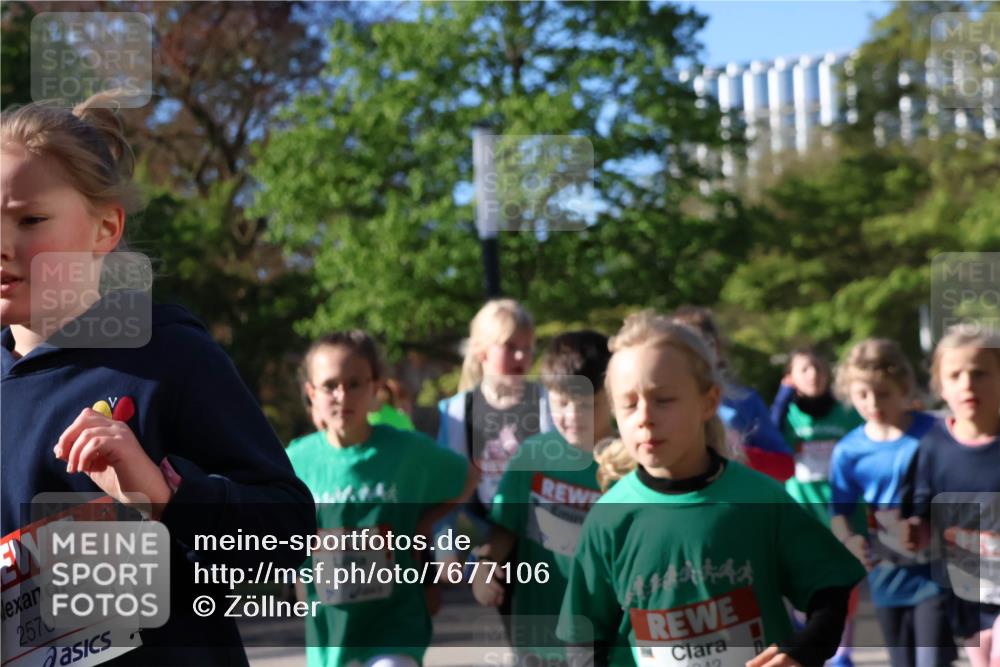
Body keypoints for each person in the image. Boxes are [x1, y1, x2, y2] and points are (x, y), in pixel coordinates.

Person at [0, 95, 316, 665]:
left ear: (105, 228)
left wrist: (167, 497)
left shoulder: (166, 355)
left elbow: (287, 535)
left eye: (30, 220)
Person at [556, 311, 865, 667]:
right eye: (629, 404)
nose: (644, 417)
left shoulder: (758, 499)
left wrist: (803, 651)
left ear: (709, 401)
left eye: (663, 399)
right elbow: (583, 638)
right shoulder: (609, 517)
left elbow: (830, 590)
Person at [288, 330, 477, 667]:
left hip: (395, 623)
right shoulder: (296, 461)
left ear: (375, 387)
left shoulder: (406, 450)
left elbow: (468, 477)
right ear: (311, 393)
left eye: (354, 383)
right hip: (332, 630)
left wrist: (424, 524)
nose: (342, 395)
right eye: (330, 385)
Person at [471, 331, 613, 664]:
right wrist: (485, 566)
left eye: (586, 405)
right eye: (562, 403)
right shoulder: (532, 456)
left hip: (604, 632)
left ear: (613, 396)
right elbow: (506, 528)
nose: (572, 416)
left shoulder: (626, 464)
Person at [828, 339, 953, 667]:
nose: (873, 403)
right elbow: (839, 511)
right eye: (862, 395)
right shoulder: (849, 450)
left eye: (883, 393)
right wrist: (849, 540)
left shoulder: (936, 434)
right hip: (886, 574)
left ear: (904, 388)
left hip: (938, 571)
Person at [902, 325, 1000, 667]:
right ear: (941, 386)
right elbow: (919, 510)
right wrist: (914, 530)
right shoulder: (932, 447)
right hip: (967, 591)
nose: (967, 384)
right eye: (955, 375)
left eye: (979, 373)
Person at [671, 306, 793, 481]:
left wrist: (735, 453)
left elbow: (785, 466)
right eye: (677, 347)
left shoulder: (744, 400)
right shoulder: (656, 402)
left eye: (696, 345)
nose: (687, 356)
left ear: (715, 348)